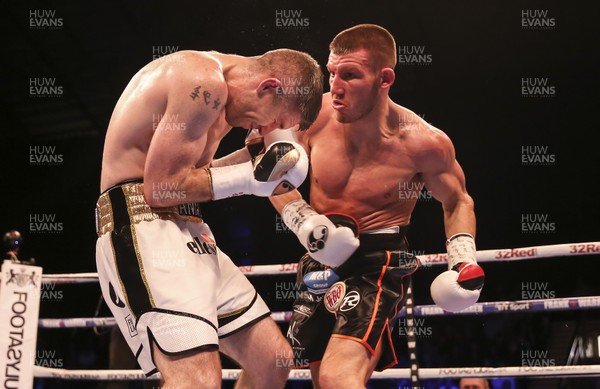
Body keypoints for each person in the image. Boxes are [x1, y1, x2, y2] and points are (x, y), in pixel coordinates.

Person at [270, 24, 486, 388]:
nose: (335, 86)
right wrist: (304, 220)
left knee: (340, 379)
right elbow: (273, 177)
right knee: (325, 380)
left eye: (350, 75)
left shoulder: (422, 143)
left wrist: (462, 259)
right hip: (318, 256)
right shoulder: (313, 116)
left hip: (377, 261)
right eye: (332, 72)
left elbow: (457, 199)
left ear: (384, 78)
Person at [95, 48, 323, 388]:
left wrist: (252, 161)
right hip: (142, 227)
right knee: (197, 380)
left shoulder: (218, 93)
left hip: (190, 230)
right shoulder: (203, 82)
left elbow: (190, 176)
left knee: (271, 360)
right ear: (269, 86)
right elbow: (160, 189)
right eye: (275, 120)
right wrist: (250, 178)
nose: (265, 129)